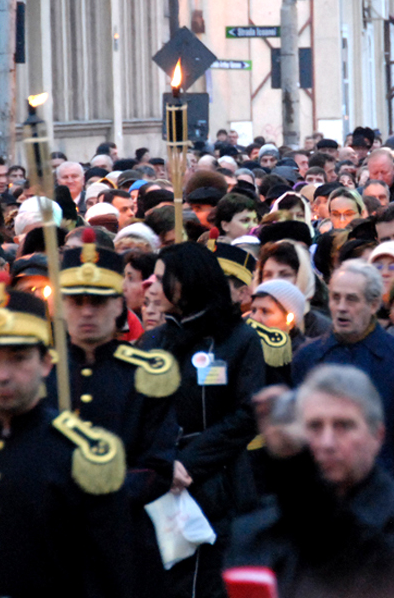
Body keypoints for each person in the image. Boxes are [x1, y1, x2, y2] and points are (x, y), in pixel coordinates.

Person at [0, 282, 133, 598]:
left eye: (18, 358)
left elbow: (109, 572)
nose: (3, 374)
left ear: (46, 363)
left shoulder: (80, 455)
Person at [228, 365, 394, 598]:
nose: (327, 443)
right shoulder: (256, 530)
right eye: (313, 426)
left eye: (343, 426)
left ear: (378, 436)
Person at [138, 243, 265, 598]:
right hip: (160, 483)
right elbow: (136, 413)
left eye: (162, 278)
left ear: (187, 283)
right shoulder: (151, 342)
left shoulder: (239, 339)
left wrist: (187, 462)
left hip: (219, 484)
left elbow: (247, 415)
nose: (151, 286)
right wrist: (162, 462)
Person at [43, 231, 178, 510]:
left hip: (121, 530)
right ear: (62, 306)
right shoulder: (41, 374)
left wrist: (102, 491)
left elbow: (158, 466)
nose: (87, 312)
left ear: (119, 305)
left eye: (98, 301)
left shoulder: (146, 375)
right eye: (77, 302)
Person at [292, 260, 394, 490]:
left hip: (385, 494)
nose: (341, 307)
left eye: (351, 299)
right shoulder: (307, 358)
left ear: (374, 304)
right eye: (335, 297)